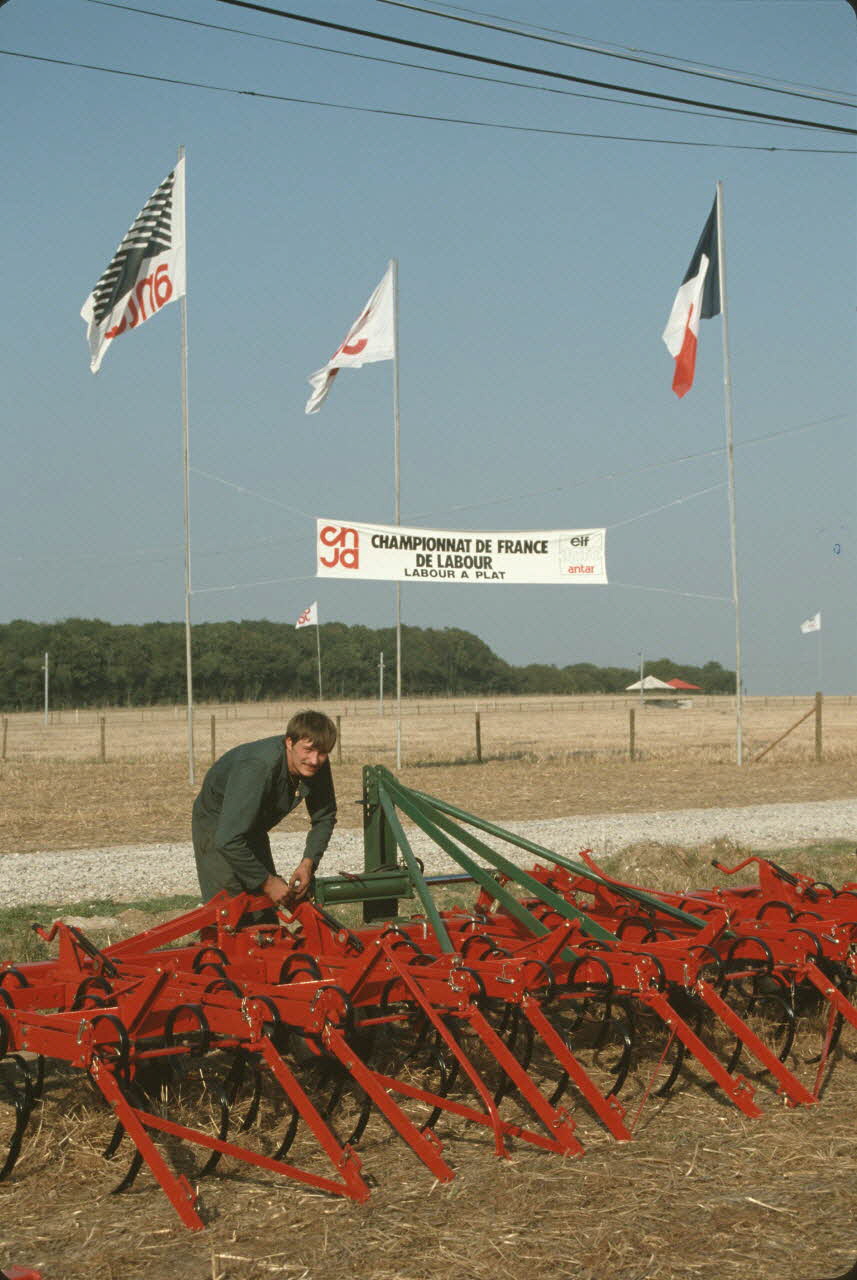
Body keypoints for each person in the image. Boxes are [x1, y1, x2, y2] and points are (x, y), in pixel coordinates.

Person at [192, 709, 337, 912]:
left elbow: (325, 816)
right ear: (289, 742)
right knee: (230, 910)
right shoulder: (257, 767)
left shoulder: (316, 763)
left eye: (322, 753)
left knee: (264, 911)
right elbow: (227, 838)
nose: (314, 760)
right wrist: (268, 882)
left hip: (252, 826)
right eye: (308, 750)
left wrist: (308, 864)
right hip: (217, 825)